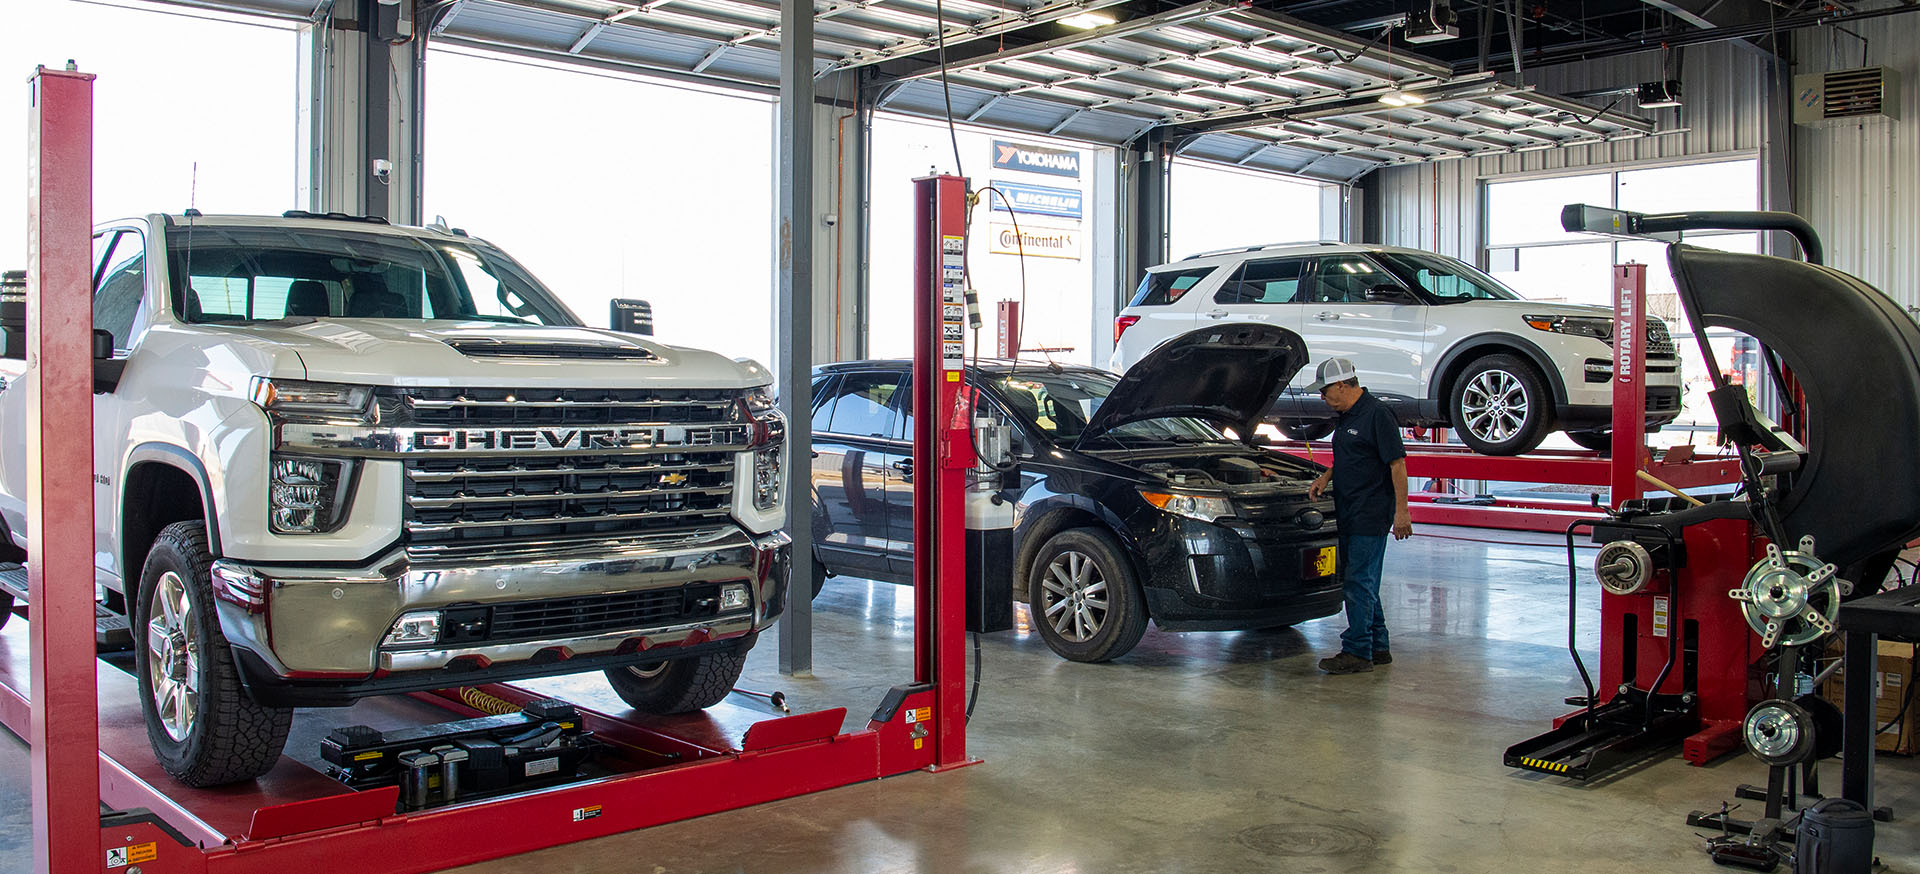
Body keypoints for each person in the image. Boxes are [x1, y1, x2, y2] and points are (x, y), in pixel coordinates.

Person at [1305, 358, 1412, 675]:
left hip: (1370, 512)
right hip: (1349, 510)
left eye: (1324, 391)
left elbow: (1397, 465)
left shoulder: (1377, 414)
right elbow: (1354, 456)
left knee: (1357, 584)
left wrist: (1401, 512)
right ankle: (1378, 646)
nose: (1322, 398)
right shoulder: (1347, 416)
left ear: (1341, 385)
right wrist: (1327, 477)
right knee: (1365, 584)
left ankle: (1356, 652)